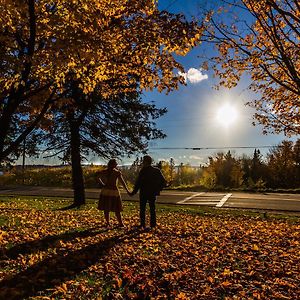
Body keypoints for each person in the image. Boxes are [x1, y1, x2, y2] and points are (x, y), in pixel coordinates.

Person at [130, 155, 166, 229]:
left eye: (143, 161)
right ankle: (152, 225)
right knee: (152, 208)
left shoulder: (143, 171)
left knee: (142, 209)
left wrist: (133, 192)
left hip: (143, 193)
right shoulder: (156, 170)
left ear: (146, 162)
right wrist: (158, 189)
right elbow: (163, 182)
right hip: (152, 193)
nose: (142, 162)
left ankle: (142, 224)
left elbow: (138, 183)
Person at [98, 159, 130, 227]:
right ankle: (120, 223)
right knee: (116, 208)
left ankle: (108, 223)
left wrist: (102, 184)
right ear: (112, 164)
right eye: (115, 163)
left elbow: (98, 177)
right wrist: (127, 189)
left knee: (107, 207)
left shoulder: (105, 171)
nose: (116, 164)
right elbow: (122, 182)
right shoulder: (116, 172)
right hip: (113, 191)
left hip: (106, 190)